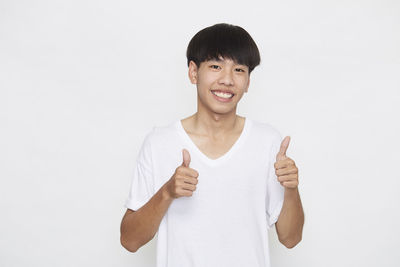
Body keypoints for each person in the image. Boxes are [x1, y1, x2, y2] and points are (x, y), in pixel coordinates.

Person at [120, 23, 304, 267]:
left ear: (248, 82)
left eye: (239, 70)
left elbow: (290, 239)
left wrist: (291, 189)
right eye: (216, 66)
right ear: (193, 72)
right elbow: (129, 240)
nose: (227, 80)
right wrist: (167, 192)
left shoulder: (268, 142)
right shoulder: (159, 144)